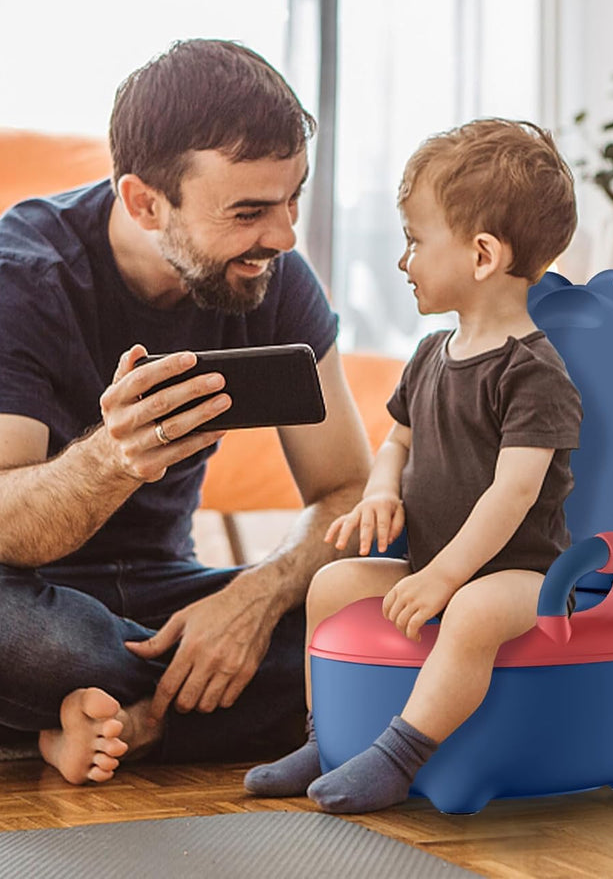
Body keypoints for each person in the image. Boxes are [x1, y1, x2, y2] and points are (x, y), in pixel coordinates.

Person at [0, 39, 373, 785]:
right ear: (144, 202)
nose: (282, 237)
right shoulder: (19, 272)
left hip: (167, 595)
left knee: (389, 592)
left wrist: (257, 595)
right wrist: (112, 458)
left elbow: (349, 490)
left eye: (293, 199)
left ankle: (106, 721)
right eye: (249, 211)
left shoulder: (272, 277)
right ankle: (203, 708)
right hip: (20, 600)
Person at [244, 118, 582, 813]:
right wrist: (378, 492)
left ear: (482, 254)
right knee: (332, 585)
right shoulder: (432, 354)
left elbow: (514, 495)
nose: (403, 262)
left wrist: (445, 579)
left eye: (414, 241)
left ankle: (398, 757)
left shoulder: (534, 373)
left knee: (472, 614)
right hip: (433, 564)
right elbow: (397, 441)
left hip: (525, 578)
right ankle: (327, 739)